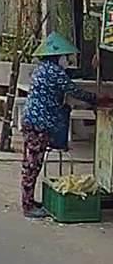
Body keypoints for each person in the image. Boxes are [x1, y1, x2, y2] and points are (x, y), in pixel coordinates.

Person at [19, 32, 109, 219]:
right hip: (39, 123)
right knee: (33, 164)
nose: (67, 61)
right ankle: (28, 206)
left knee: (32, 162)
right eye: (65, 57)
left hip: (32, 121)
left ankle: (29, 201)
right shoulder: (54, 72)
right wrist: (98, 99)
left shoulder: (42, 68)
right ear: (57, 57)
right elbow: (74, 90)